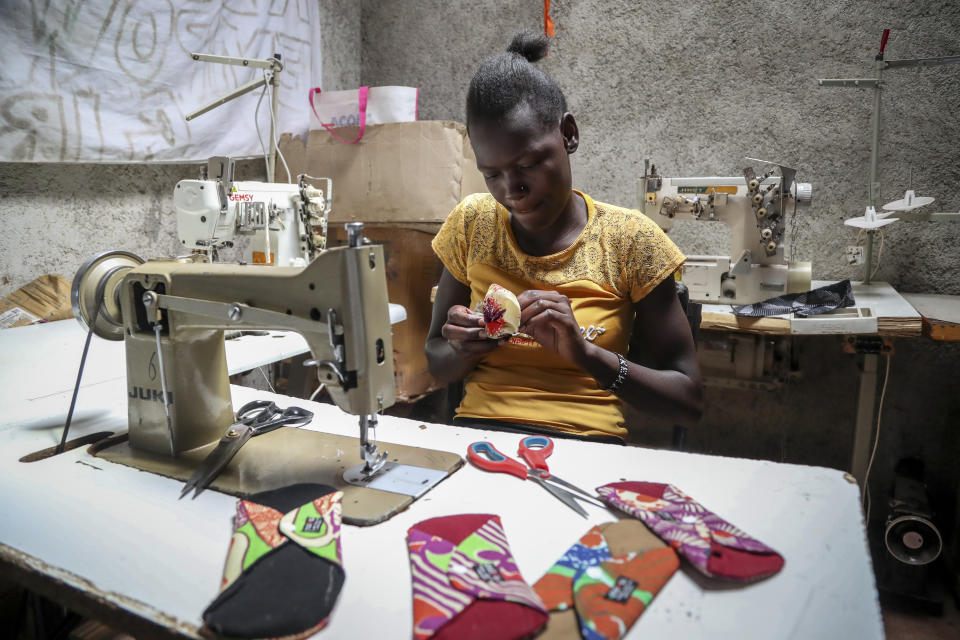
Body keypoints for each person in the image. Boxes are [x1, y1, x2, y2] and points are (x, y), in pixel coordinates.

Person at [425, 30, 702, 443]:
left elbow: (689, 402)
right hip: (482, 439)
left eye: (529, 164)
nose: (510, 190)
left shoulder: (629, 240)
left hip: (589, 444)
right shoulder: (473, 224)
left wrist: (587, 355)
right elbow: (437, 361)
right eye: (492, 174)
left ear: (568, 134)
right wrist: (467, 347)